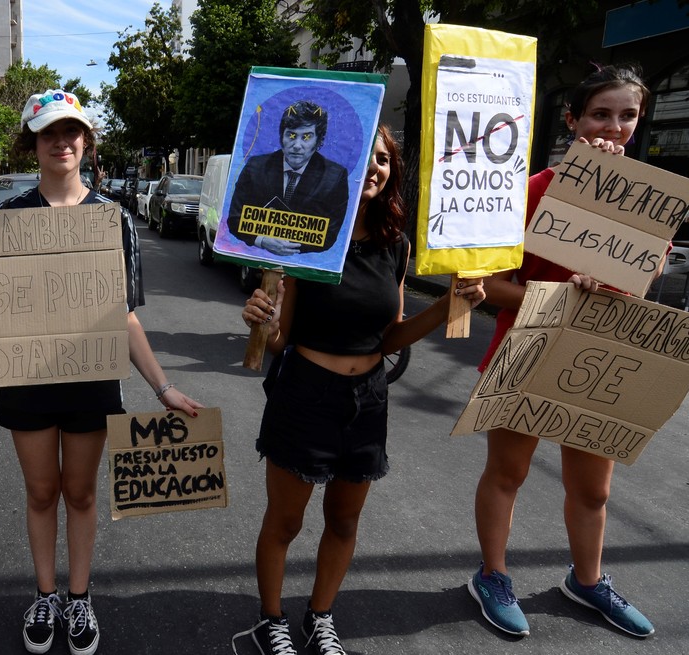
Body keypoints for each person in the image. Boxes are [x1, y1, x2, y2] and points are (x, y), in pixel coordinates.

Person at [0, 89, 203, 655]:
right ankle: (46, 594)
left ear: (86, 142)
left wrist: (162, 385)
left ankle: (80, 598)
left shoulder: (112, 218)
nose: (61, 142)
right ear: (32, 144)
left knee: (81, 493)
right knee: (41, 492)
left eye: (71, 132)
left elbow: (124, 315)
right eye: (48, 133)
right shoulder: (5, 218)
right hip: (26, 381)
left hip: (91, 380)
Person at [232, 125, 486, 655]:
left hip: (368, 399)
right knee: (286, 521)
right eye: (365, 156)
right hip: (304, 394)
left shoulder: (395, 243)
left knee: (344, 521)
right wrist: (261, 315)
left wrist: (447, 307)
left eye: (385, 160)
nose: (375, 167)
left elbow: (390, 334)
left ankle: (320, 617)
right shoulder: (308, 235)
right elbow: (278, 341)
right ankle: (272, 619)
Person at [468, 63, 657, 639]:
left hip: (601, 353)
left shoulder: (646, 196)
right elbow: (488, 287)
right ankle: (493, 576)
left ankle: (588, 580)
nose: (614, 127)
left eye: (627, 115)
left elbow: (643, 279)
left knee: (594, 488)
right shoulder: (529, 191)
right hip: (527, 346)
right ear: (572, 119)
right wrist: (554, 292)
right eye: (601, 113)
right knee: (509, 472)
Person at [227, 100, 351, 256]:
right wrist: (262, 240)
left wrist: (287, 245)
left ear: (319, 141)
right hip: (258, 261)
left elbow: (329, 233)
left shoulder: (334, 176)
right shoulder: (256, 167)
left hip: (305, 266)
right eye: (291, 135)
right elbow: (235, 218)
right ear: (281, 137)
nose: (297, 145)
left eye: (306, 137)